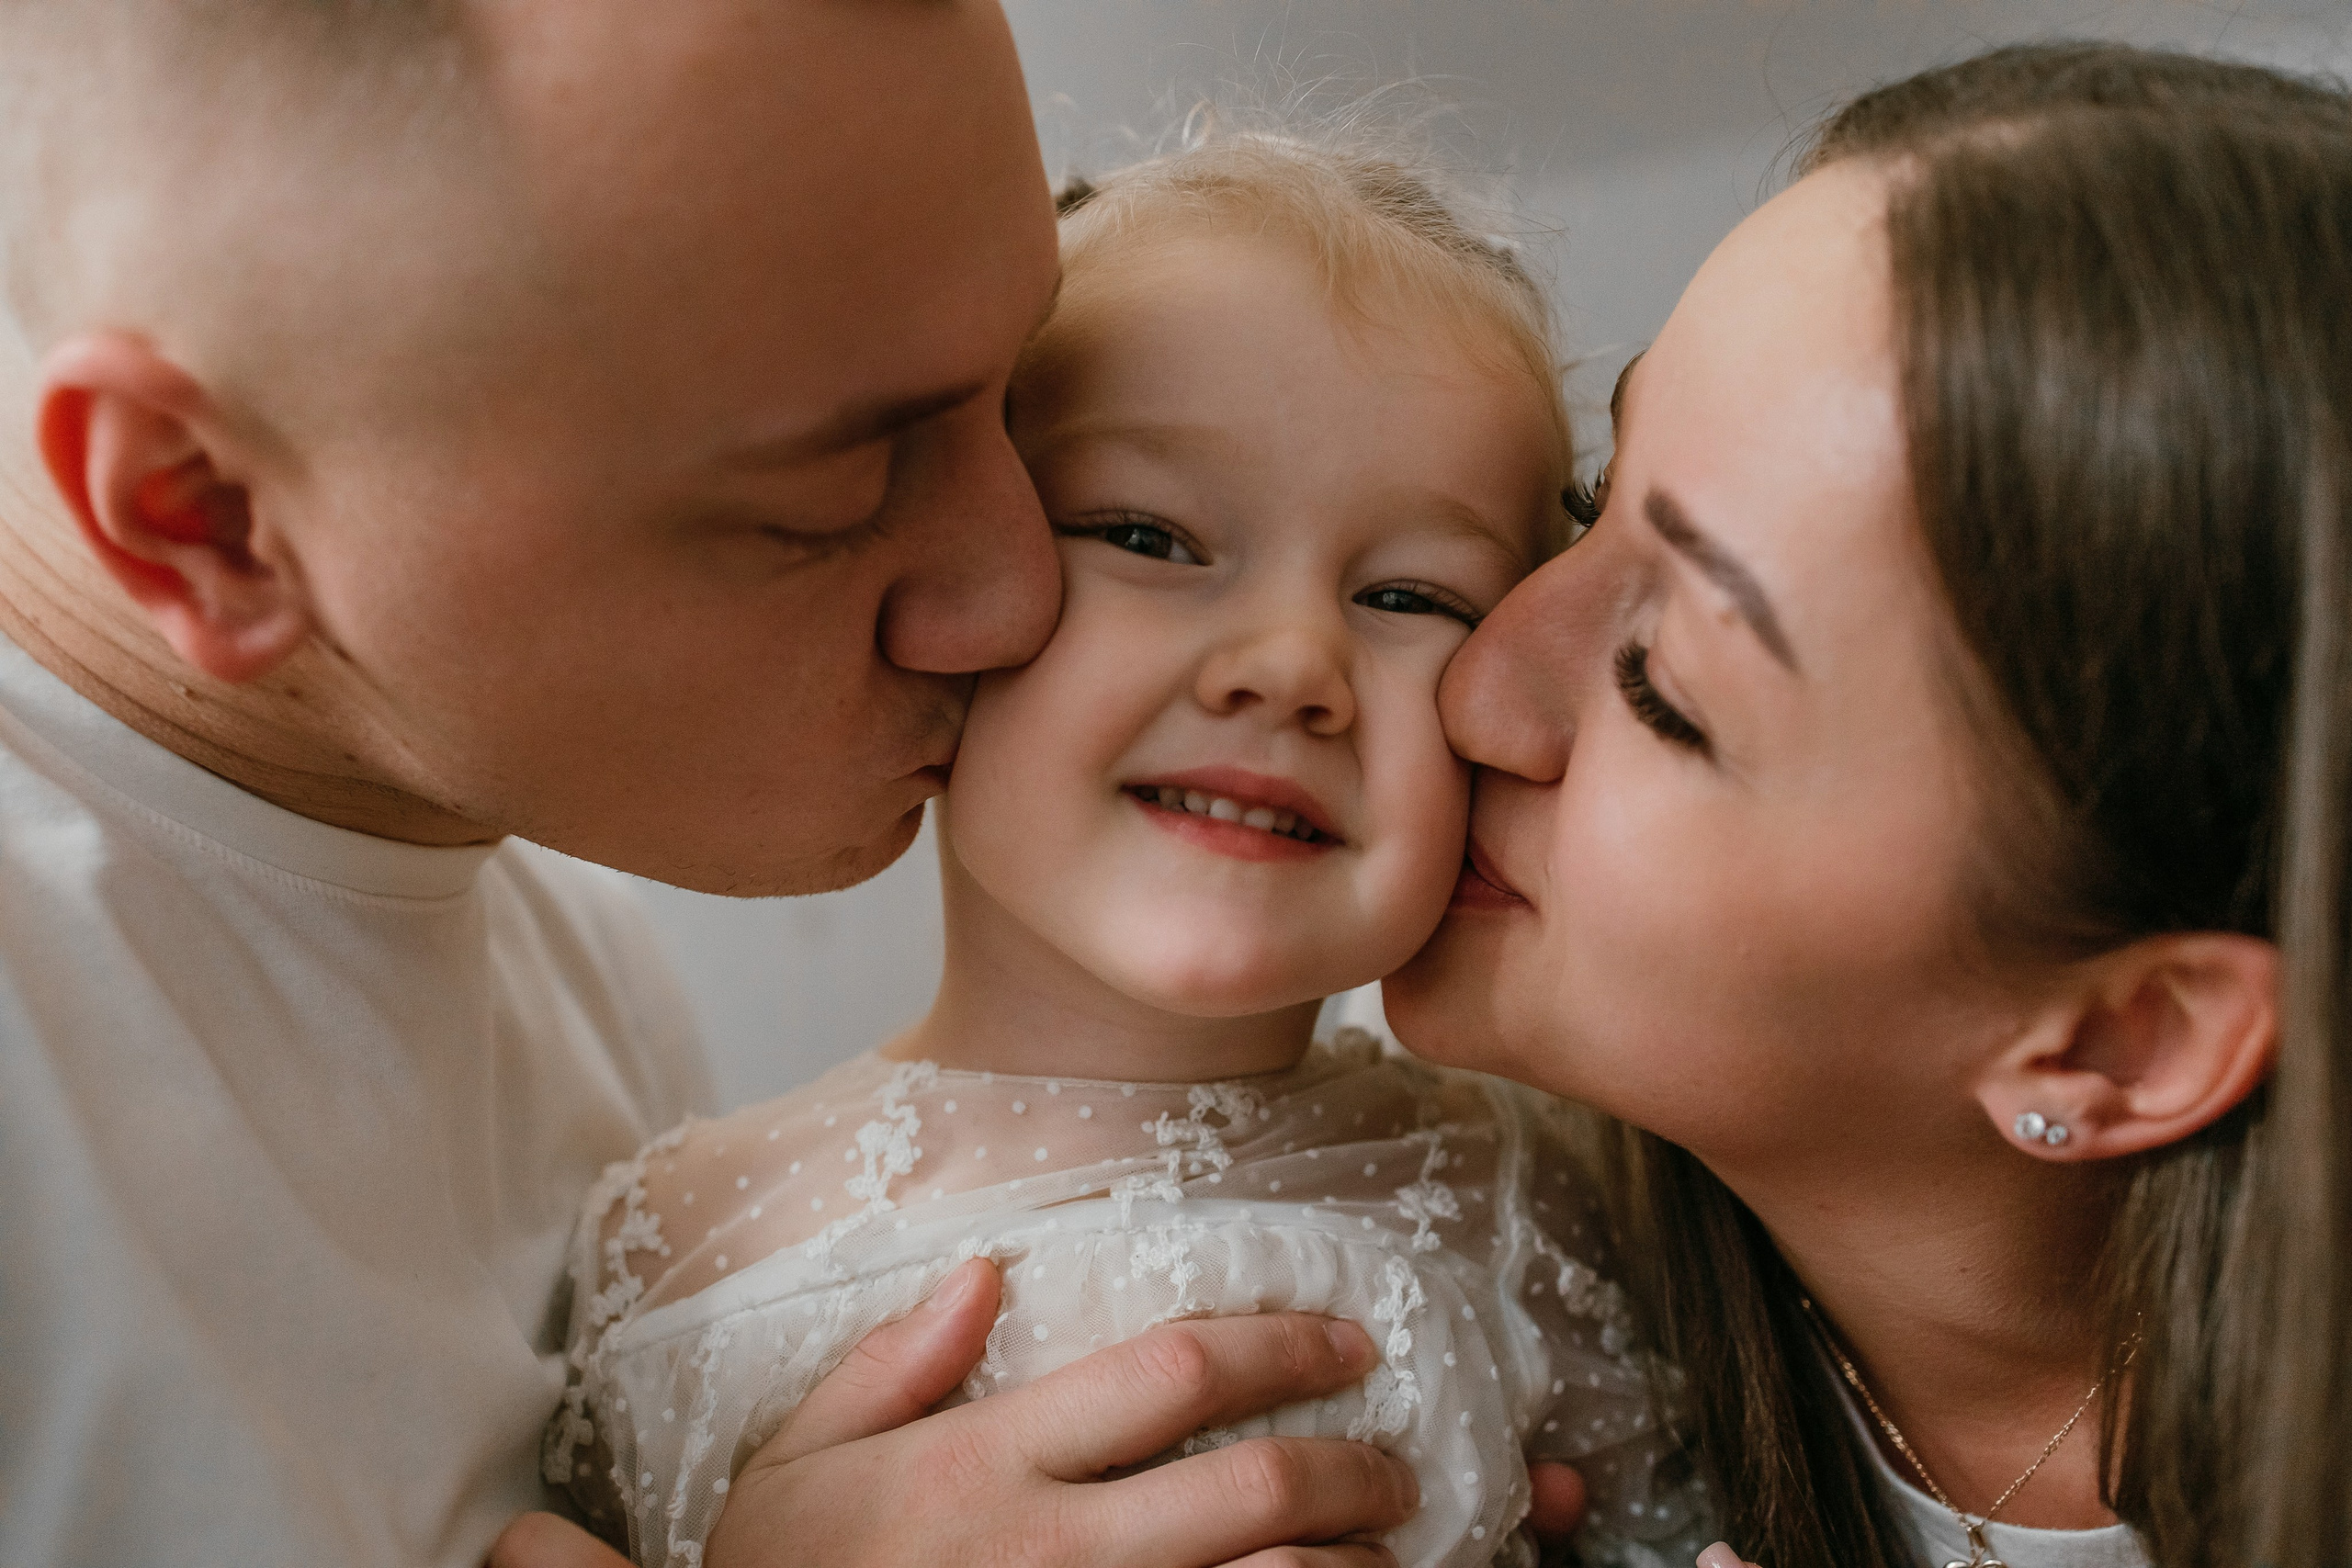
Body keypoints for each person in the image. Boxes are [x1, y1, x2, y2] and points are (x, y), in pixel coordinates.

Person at [0, 4, 1429, 1565]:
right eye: (838, 485)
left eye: (1015, 402)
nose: (1018, 593)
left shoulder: (576, 947)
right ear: (197, 511)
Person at [545, 131, 1706, 1568]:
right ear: (971, 582)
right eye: (1149, 537)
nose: (1290, 663)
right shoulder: (673, 1239)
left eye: (1413, 592)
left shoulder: (1551, 1189)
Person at [1385, 41, 2352, 1568]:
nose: (1474, 689)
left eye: (1664, 690)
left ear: (2120, 1039)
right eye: (1590, 498)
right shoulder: (1436, 1279)